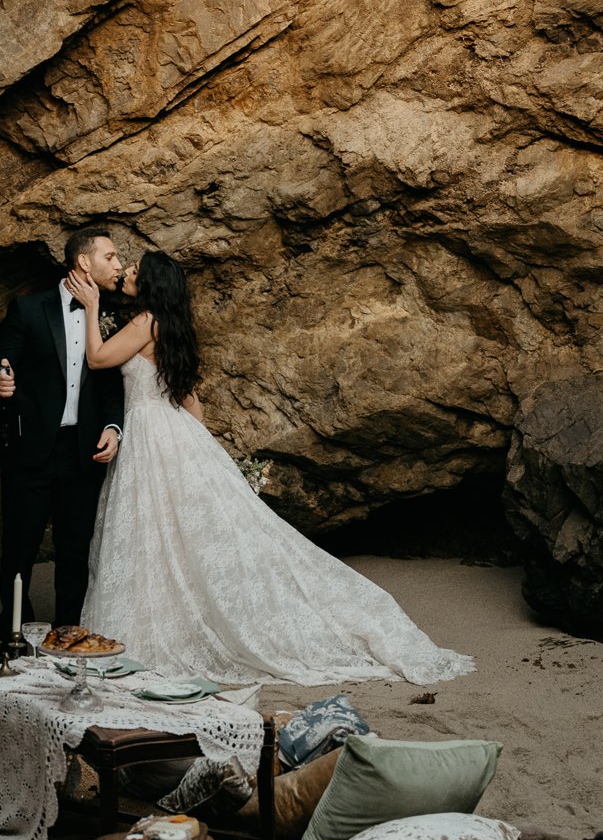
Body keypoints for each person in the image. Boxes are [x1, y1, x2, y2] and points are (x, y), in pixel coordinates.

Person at [68, 251, 474, 687]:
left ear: (150, 285)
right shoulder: (170, 326)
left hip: (151, 432)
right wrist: (203, 448)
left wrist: (92, 309)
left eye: (134, 272)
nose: (127, 272)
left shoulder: (145, 322)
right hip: (171, 432)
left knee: (155, 534)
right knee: (172, 534)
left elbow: (97, 358)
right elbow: (187, 397)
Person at [0, 228, 126, 639]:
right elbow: (1, 359)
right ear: (84, 262)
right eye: (111, 257)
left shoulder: (113, 315)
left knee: (75, 550)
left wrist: (114, 428)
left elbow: (113, 386)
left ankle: (70, 637)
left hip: (83, 451)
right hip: (30, 448)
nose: (118, 265)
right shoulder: (29, 309)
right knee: (19, 547)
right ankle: (11, 639)